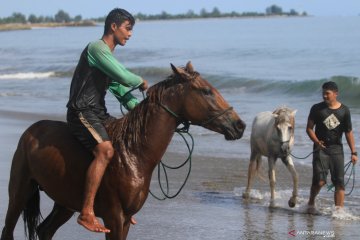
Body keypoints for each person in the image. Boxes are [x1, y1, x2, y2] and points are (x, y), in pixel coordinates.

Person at [66, 8, 148, 233]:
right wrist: (140, 80)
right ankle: (86, 212)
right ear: (114, 26)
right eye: (127, 29)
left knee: (122, 147)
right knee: (105, 151)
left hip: (98, 113)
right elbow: (123, 76)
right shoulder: (97, 49)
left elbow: (119, 89)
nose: (130, 35)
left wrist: (142, 108)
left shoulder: (107, 58)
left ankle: (117, 202)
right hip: (81, 111)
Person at [306, 81, 357, 213]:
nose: (324, 96)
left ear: (336, 93)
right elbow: (309, 129)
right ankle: (311, 202)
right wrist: (317, 142)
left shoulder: (344, 110)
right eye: (323, 93)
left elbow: (348, 132)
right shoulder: (316, 108)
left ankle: (339, 211)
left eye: (327, 93)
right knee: (320, 181)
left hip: (337, 150)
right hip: (320, 149)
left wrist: (354, 152)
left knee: (339, 182)